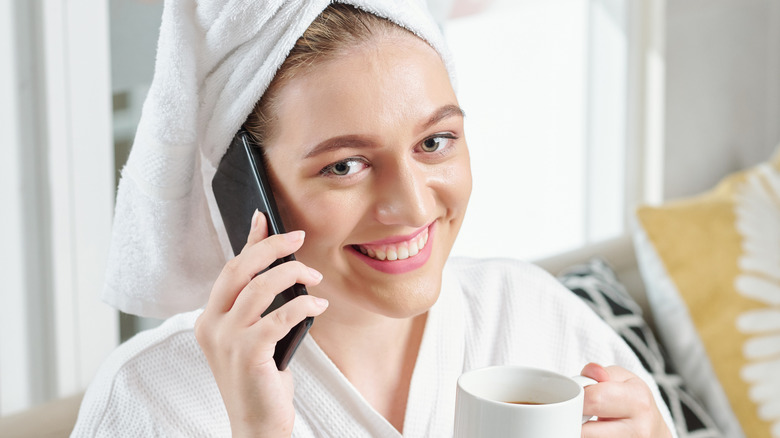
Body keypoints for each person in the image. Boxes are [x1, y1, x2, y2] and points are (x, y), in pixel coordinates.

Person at [72, 1, 677, 437]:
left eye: (435, 142)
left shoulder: (534, 318)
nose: (413, 207)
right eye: (345, 166)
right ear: (247, 190)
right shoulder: (153, 401)